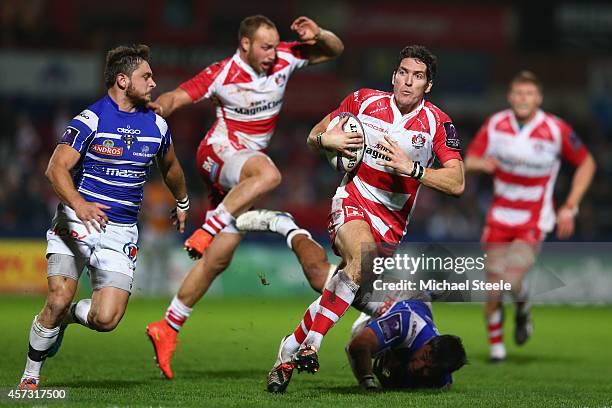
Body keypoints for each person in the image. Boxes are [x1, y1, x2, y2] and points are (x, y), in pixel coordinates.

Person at [146, 15, 344, 380]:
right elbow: (178, 96)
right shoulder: (222, 72)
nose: (272, 53)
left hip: (241, 176)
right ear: (245, 45)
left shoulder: (284, 57)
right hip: (220, 153)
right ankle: (209, 229)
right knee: (269, 174)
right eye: (265, 47)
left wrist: (319, 35)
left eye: (274, 45)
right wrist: (157, 109)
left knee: (217, 259)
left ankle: (167, 327)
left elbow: (334, 50)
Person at [263, 44, 465, 387]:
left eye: (417, 77)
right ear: (393, 75)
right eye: (403, 73)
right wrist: (330, 141)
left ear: (427, 86)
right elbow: (315, 136)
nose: (407, 82)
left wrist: (412, 168)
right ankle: (312, 345)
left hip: (391, 228)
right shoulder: (363, 101)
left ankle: (288, 351)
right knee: (361, 258)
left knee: (339, 286)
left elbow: (457, 182)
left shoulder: (437, 124)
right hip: (352, 201)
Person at [17, 44, 190, 390]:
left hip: (121, 231)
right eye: (147, 76)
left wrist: (183, 201)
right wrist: (79, 205)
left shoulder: (156, 125)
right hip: (75, 223)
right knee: (58, 296)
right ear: (123, 81)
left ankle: (64, 319)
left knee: (106, 318)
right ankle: (30, 376)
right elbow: (55, 169)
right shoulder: (91, 119)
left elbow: (170, 166)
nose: (154, 83)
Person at [465, 70, 596, 361]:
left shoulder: (555, 129)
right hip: (498, 218)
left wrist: (570, 206)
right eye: (518, 93)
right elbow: (468, 161)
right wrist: (481, 165)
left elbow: (586, 163)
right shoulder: (496, 124)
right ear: (510, 96)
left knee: (510, 280)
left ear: (539, 98)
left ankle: (522, 308)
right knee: (494, 287)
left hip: (533, 219)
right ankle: (497, 352)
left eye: (529, 94)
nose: (523, 98)